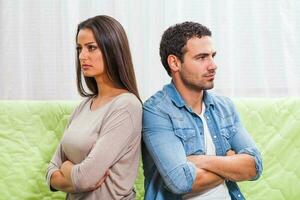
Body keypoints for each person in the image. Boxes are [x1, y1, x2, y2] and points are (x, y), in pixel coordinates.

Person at [142, 22, 263, 200]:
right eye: (201, 57)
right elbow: (180, 181)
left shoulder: (224, 107)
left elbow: (255, 166)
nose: (213, 65)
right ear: (174, 62)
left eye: (212, 56)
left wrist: (200, 160)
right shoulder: (157, 111)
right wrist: (231, 162)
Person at [46, 15, 142, 200]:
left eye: (91, 47)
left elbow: (84, 178)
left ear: (112, 51)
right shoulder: (83, 106)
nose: (82, 56)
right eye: (79, 49)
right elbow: (51, 170)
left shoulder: (127, 105)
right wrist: (70, 175)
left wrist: (65, 169)